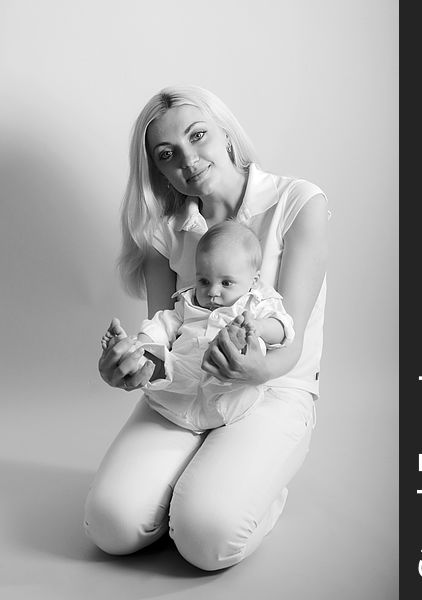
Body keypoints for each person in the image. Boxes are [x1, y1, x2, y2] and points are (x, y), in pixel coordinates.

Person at [84, 85, 328, 571]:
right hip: (183, 389)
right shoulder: (163, 232)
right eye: (166, 154)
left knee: (205, 540)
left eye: (199, 137)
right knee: (110, 525)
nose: (188, 160)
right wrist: (135, 366)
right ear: (156, 169)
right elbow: (163, 338)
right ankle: (188, 478)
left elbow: (290, 339)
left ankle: (247, 493)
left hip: (272, 388)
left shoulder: (296, 202)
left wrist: (252, 365)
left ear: (228, 135)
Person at [101, 221, 295, 432]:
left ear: (253, 279)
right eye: (204, 281)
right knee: (166, 364)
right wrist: (140, 343)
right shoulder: (188, 303)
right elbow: (162, 324)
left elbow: (284, 328)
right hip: (178, 396)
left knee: (238, 350)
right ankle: (133, 356)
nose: (212, 291)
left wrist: (260, 327)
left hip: (229, 393)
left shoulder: (256, 303)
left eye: (226, 283)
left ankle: (228, 344)